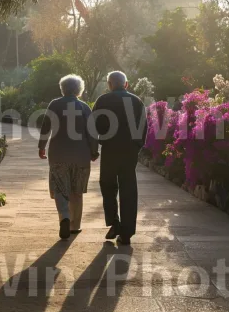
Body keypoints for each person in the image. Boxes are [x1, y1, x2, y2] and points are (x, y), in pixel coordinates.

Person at [38, 74, 99, 240]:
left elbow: (45, 127)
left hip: (58, 154)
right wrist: (94, 151)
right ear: (79, 90)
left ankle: (64, 216)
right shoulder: (84, 107)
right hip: (81, 155)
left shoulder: (54, 105)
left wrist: (41, 146)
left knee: (60, 187)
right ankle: (75, 226)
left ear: (62, 89)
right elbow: (92, 132)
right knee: (76, 191)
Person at [91, 71, 147, 245]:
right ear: (126, 84)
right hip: (129, 152)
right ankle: (127, 233)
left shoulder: (102, 101)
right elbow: (143, 127)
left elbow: (93, 127)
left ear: (109, 84)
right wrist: (137, 147)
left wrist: (94, 149)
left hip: (109, 150)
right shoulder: (136, 101)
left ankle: (114, 222)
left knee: (107, 186)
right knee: (128, 190)